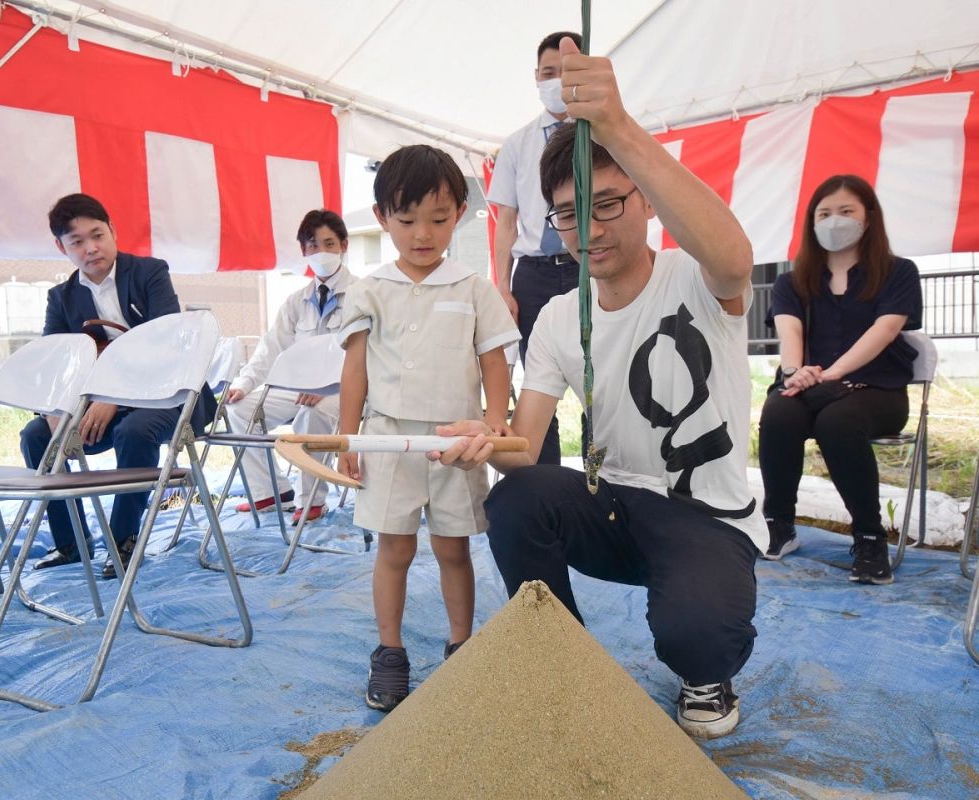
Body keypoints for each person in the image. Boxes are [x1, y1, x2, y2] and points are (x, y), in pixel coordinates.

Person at [435, 36, 765, 739]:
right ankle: (564, 659)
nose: (588, 229)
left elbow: (737, 258)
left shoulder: (696, 277)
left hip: (708, 516)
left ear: (645, 201)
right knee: (517, 500)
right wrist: (486, 441)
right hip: (613, 504)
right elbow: (524, 447)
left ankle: (705, 669)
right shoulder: (560, 315)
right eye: (567, 214)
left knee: (695, 632)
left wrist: (616, 126)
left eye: (607, 204)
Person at [337, 144, 519, 712]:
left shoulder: (474, 287)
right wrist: (349, 435)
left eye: (438, 219)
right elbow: (355, 367)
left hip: (455, 445)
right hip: (388, 440)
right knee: (392, 548)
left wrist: (493, 424)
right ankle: (389, 652)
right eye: (407, 219)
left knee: (452, 549)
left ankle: (461, 645)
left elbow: (495, 360)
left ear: (460, 213)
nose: (423, 233)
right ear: (381, 218)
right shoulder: (369, 289)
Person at [21, 193, 215, 579]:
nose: (91, 248)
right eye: (77, 241)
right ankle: (72, 542)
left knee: (135, 429)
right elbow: (56, 361)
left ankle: (123, 539)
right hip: (99, 404)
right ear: (62, 247)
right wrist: (55, 412)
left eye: (98, 235)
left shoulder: (150, 272)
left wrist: (111, 396)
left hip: (170, 394)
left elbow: (166, 343)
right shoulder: (60, 298)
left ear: (113, 230)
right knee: (36, 435)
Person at [759, 174, 922, 584]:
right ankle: (778, 524)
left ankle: (869, 537)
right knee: (778, 412)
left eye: (846, 212)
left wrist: (829, 374)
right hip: (809, 384)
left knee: (838, 422)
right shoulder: (790, 282)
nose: (835, 221)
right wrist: (796, 375)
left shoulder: (898, 272)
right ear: (812, 223)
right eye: (825, 213)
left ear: (868, 219)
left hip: (877, 391)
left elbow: (884, 331)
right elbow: (790, 333)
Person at [487, 30, 583, 466]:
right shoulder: (517, 144)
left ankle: (603, 485)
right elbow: (505, 221)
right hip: (534, 274)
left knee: (601, 382)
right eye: (549, 73)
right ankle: (545, 486)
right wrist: (501, 288)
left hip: (590, 267)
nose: (557, 81)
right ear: (536, 77)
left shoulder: (603, 133)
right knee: (537, 384)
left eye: (567, 72)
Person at [225, 209, 355, 524]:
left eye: (329, 243)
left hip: (348, 389)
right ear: (303, 252)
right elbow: (271, 348)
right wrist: (244, 383)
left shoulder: (364, 295)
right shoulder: (297, 301)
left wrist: (325, 385)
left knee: (315, 412)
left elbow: (367, 352)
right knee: (240, 409)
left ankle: (311, 500)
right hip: (301, 388)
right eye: (313, 246)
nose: (321, 252)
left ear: (344, 245)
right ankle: (272, 492)